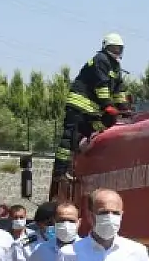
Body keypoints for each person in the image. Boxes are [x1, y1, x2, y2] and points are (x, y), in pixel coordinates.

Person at [53, 33, 125, 180]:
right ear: (106, 47)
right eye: (114, 48)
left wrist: (123, 107)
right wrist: (107, 105)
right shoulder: (101, 60)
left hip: (92, 109)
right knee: (69, 137)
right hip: (79, 105)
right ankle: (59, 172)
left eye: (119, 48)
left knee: (105, 124)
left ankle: (79, 156)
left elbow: (119, 89)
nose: (117, 51)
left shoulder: (116, 66)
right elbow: (101, 85)